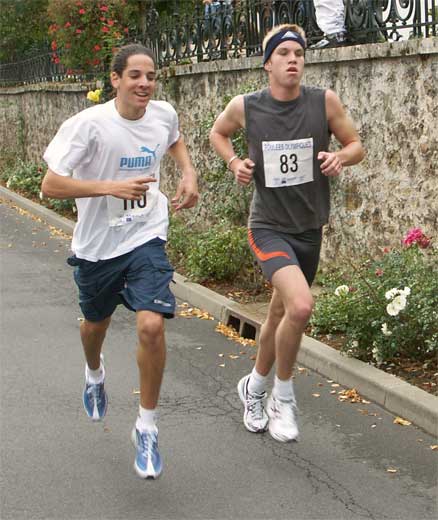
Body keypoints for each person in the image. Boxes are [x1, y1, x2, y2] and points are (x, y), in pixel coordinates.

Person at [41, 43, 198, 478]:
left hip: (146, 234)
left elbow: (174, 138)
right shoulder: (88, 125)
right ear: (115, 79)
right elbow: (51, 185)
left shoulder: (162, 114)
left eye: (151, 76)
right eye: (135, 75)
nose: (145, 83)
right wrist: (109, 187)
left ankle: (146, 427)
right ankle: (94, 372)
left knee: (151, 325)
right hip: (98, 246)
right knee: (95, 325)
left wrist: (188, 171)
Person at [209, 24, 364, 442]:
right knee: (300, 306)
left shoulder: (323, 101)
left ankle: (254, 387)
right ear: (268, 64)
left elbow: (356, 145)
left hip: (308, 228)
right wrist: (234, 163)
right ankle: (283, 395)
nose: (293, 59)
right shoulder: (246, 107)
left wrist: (340, 157)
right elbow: (218, 133)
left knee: (280, 314)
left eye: (299, 53)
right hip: (268, 227)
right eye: (284, 53)